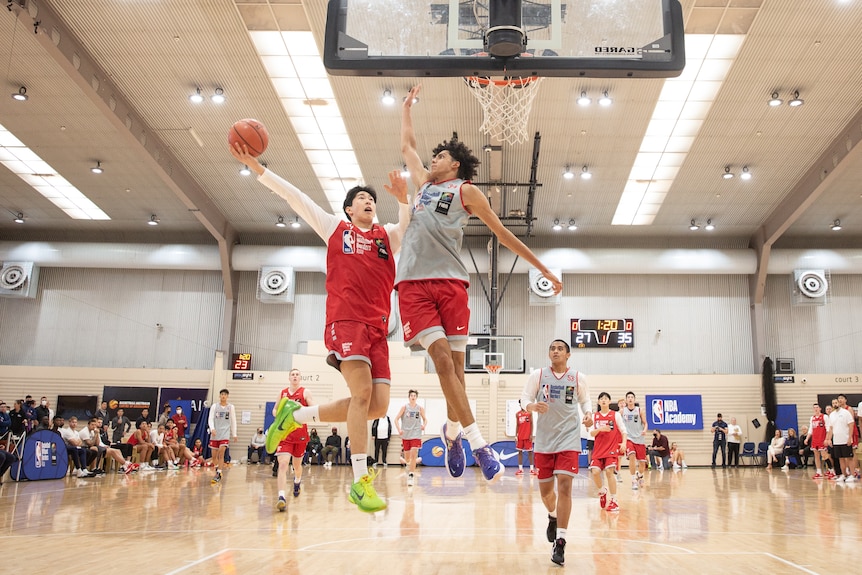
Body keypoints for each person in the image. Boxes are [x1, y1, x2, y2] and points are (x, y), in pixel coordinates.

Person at [232, 143, 410, 514]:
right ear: (348, 208)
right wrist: (258, 168)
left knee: (376, 407)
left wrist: (404, 200)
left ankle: (293, 416)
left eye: (371, 199)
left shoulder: (386, 237)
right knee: (361, 395)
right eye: (360, 198)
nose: (367, 202)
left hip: (378, 331)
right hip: (346, 323)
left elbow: (407, 222)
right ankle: (360, 482)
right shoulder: (335, 228)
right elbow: (296, 198)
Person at [399, 84, 562, 485]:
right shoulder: (421, 186)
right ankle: (478, 444)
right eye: (433, 155)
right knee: (439, 361)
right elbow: (408, 145)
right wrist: (406, 108)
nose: (433, 159)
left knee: (457, 369)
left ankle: (453, 433)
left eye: (441, 156)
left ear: (454, 166)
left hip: (453, 282)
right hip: (414, 285)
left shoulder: (466, 191)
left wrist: (541, 267)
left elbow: (503, 234)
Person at [520, 339, 592, 566]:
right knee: (546, 493)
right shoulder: (538, 376)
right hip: (544, 441)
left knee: (565, 486)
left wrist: (588, 414)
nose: (556, 351)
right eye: (552, 348)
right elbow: (524, 399)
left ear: (568, 354)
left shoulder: (578, 377)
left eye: (560, 348)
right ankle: (552, 515)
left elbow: (585, 401)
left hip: (569, 439)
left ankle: (561, 541)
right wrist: (531, 407)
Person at [271, 368, 313, 509]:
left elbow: (313, 408)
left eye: (297, 375)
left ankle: (297, 480)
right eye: (292, 375)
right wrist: (278, 415)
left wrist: (302, 407)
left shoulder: (305, 392)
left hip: (300, 434)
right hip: (285, 434)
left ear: (300, 378)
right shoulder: (283, 393)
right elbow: (275, 409)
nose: (295, 377)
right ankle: (281, 496)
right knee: (283, 464)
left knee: (296, 466)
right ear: (289, 378)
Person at [590, 392, 626, 514]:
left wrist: (624, 443)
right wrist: (600, 429)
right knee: (595, 472)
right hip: (598, 450)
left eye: (606, 399)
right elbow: (591, 433)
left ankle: (614, 500)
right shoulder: (595, 416)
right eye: (601, 399)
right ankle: (602, 491)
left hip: (611, 449)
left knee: (609, 472)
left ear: (610, 402)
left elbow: (623, 430)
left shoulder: (615, 415)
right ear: (599, 402)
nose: (603, 400)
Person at [396, 390, 426, 486]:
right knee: (408, 458)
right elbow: (396, 419)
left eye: (414, 395)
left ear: (416, 397)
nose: (413, 397)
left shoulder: (420, 408)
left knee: (414, 454)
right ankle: (409, 463)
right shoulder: (404, 408)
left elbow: (425, 419)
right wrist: (399, 430)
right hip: (406, 434)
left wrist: (424, 425)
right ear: (409, 397)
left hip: (416, 434)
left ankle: (411, 475)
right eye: (411, 395)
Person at [207, 388, 237, 484]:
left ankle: (219, 473)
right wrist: (212, 428)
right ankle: (217, 469)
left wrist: (234, 434)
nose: (223, 396)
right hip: (215, 433)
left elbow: (233, 421)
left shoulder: (230, 407)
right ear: (219, 396)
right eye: (222, 394)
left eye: (225, 394)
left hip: (225, 433)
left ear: (227, 396)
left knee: (221, 452)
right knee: (214, 456)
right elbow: (210, 419)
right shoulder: (214, 406)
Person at [826, 393, 856, 482]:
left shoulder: (846, 412)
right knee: (840, 459)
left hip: (845, 439)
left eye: (837, 403)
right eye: (834, 403)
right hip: (836, 441)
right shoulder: (832, 415)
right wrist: (829, 439)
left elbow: (851, 425)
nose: (835, 404)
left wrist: (850, 438)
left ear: (840, 403)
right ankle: (843, 475)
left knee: (849, 458)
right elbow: (831, 428)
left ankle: (852, 475)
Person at [621, 392, 647, 490]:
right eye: (628, 397)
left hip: (639, 439)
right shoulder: (623, 411)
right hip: (629, 438)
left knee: (642, 464)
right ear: (626, 400)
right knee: (632, 456)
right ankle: (633, 480)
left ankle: (639, 475)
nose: (630, 399)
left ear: (634, 400)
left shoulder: (639, 410)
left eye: (632, 397)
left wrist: (644, 430)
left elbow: (645, 423)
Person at [514, 406, 535, 476]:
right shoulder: (517, 414)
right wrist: (516, 435)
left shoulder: (529, 413)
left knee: (530, 452)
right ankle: (520, 469)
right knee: (519, 452)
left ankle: (531, 469)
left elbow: (531, 424)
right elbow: (517, 425)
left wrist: (531, 434)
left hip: (527, 436)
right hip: (520, 436)